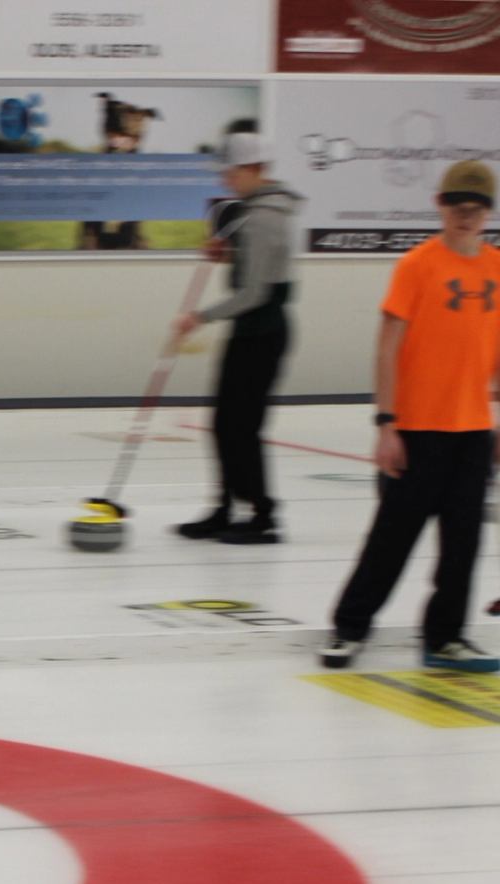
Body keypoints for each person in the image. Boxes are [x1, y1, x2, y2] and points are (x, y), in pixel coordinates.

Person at [321, 159, 500, 673]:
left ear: (487, 213)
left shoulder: (494, 269)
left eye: (476, 209)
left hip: (472, 432)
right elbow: (387, 346)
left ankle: (445, 638)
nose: (465, 218)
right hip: (418, 431)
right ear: (439, 207)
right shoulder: (418, 266)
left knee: (463, 544)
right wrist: (386, 423)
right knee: (391, 540)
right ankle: (349, 629)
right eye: (457, 207)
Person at [172, 133, 302, 544]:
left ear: (252, 170)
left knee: (242, 427)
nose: (226, 180)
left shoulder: (265, 216)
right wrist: (226, 253)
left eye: (230, 172)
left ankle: (262, 515)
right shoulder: (253, 210)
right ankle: (226, 508)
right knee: (225, 424)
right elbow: (254, 268)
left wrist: (200, 317)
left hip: (263, 331)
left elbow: (255, 292)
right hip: (250, 329)